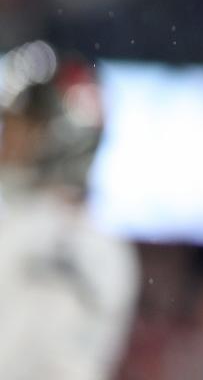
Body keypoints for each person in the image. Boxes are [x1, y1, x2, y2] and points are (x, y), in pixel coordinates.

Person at [0, 40, 139, 380]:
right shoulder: (110, 252)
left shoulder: (23, 223)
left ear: (61, 134)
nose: (6, 139)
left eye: (20, 126)